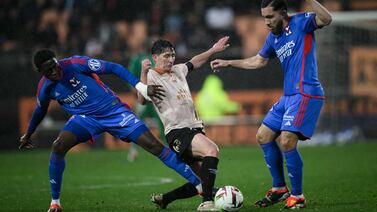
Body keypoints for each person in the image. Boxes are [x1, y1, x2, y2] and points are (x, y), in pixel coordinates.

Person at [19, 49, 204, 212]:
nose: (55, 71)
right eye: (48, 71)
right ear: (40, 72)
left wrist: (141, 87)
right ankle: (55, 203)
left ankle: (200, 184)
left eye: (55, 65)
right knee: (58, 146)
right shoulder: (45, 88)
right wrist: (29, 132)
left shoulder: (76, 63)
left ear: (57, 60)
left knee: (154, 146)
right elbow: (40, 109)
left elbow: (114, 68)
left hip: (114, 111)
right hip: (86, 119)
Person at [211, 0, 332, 209]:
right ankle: (279, 188)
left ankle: (298, 195)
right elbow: (259, 61)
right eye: (264, 17)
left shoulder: (302, 22)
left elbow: (327, 19)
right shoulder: (273, 37)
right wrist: (230, 62)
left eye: (270, 16)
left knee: (286, 141)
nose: (266, 21)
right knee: (263, 135)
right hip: (288, 96)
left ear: (283, 13)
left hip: (306, 92)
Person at [138, 36, 230, 211]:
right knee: (212, 150)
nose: (171, 59)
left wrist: (213, 50)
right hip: (177, 131)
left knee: (203, 182)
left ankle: (165, 199)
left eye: (172, 55)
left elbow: (194, 61)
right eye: (166, 56)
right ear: (155, 57)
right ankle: (207, 203)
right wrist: (143, 72)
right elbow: (141, 100)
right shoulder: (151, 75)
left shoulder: (178, 70)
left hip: (194, 128)